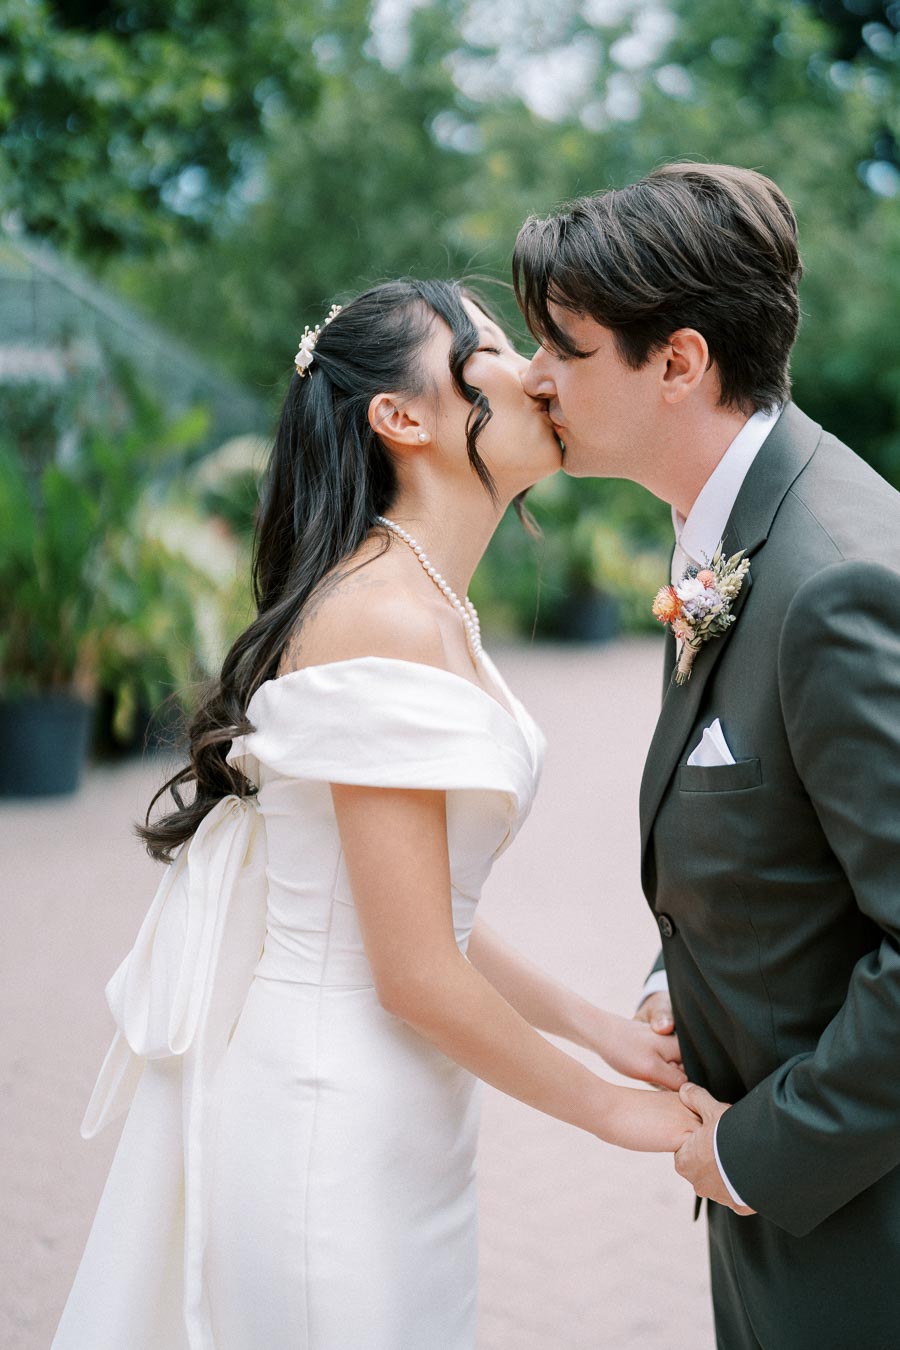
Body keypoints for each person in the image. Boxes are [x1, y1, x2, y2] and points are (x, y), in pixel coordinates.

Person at [51, 278, 696, 1350]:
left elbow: (414, 909)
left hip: (401, 1110)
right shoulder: (381, 617)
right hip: (329, 1122)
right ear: (401, 419)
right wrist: (609, 1112)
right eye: (491, 349)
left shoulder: (426, 602)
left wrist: (601, 1033)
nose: (539, 372)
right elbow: (414, 971)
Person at [514, 162, 900, 1350]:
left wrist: (748, 1152)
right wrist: (674, 983)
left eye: (565, 348)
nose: (534, 378)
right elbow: (774, 830)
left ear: (678, 363)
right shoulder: (731, 537)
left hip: (858, 1228)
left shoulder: (834, 576)